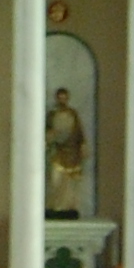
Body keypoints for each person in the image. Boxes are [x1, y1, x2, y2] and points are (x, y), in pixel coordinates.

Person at [44, 87, 89, 215]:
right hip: (57, 151)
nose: (62, 100)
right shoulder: (52, 114)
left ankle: (67, 206)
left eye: (64, 97)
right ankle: (55, 205)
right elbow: (46, 131)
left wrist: (82, 145)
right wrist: (49, 138)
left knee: (69, 182)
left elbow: (79, 131)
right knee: (55, 179)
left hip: (71, 152)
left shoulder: (73, 113)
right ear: (57, 98)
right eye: (60, 97)